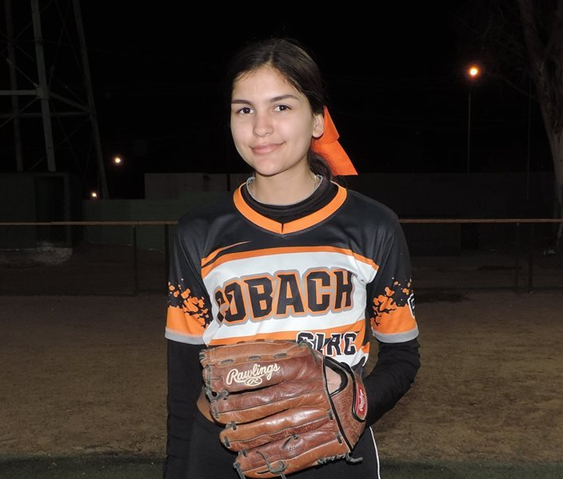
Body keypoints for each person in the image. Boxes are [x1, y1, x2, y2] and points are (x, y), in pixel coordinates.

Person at [163, 37, 421, 479]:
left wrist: (352, 408)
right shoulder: (199, 232)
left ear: (318, 119)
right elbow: (184, 379)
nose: (260, 127)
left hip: (335, 453)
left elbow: (402, 357)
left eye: (281, 107)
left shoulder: (372, 226)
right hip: (222, 452)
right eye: (244, 109)